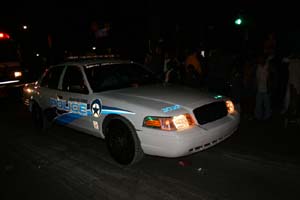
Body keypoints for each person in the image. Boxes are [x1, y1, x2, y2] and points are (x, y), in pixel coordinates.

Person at [255, 54, 272, 120]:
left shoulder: (268, 66)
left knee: (267, 104)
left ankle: (268, 116)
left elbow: (272, 76)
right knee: (258, 104)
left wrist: (270, 86)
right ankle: (257, 117)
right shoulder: (257, 66)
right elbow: (256, 78)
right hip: (259, 88)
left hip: (266, 88)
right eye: (259, 58)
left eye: (261, 58)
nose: (259, 60)